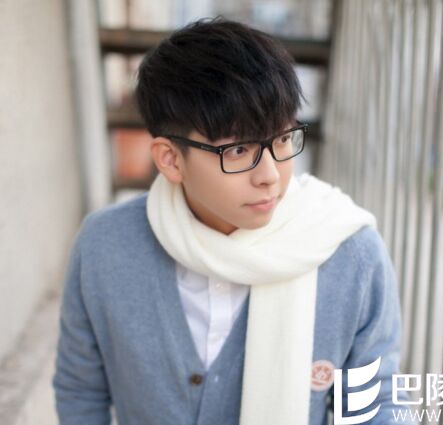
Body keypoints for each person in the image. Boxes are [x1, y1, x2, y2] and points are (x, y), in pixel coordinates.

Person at [52, 17, 414, 425]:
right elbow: (81, 389)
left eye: (282, 139)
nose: (270, 175)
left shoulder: (348, 252)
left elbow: (376, 405)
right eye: (239, 150)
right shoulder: (105, 247)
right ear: (171, 159)